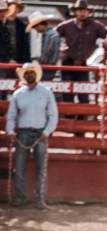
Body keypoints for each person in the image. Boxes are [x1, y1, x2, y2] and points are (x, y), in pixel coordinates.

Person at [5, 62, 58, 208]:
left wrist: (47, 132)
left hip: (40, 133)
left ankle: (40, 199)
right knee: (19, 167)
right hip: (23, 133)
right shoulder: (18, 94)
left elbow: (53, 115)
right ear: (24, 76)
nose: (29, 75)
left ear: (36, 75)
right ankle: (20, 198)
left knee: (41, 168)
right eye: (26, 73)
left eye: (31, 73)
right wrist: (10, 131)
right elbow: (11, 116)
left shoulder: (46, 92)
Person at [56, 0, 107, 105]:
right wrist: (58, 51)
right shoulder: (67, 25)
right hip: (68, 62)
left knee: (84, 95)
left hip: (83, 64)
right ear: (75, 12)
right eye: (79, 11)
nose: (82, 13)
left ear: (88, 12)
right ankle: (69, 118)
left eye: (84, 11)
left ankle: (81, 117)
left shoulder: (94, 26)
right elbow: (53, 35)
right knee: (67, 94)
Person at [25, 10, 60, 80]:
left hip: (47, 67)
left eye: (35, 26)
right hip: (49, 67)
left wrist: (39, 63)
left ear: (40, 24)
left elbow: (47, 52)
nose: (35, 29)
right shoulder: (51, 34)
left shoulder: (51, 36)